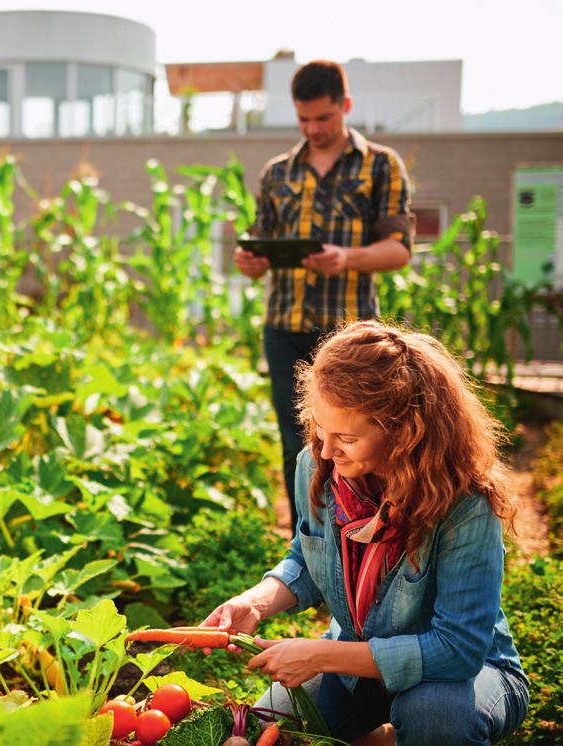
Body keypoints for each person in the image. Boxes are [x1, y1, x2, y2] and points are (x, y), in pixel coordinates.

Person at [201, 320, 529, 745]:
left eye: (347, 438)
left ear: (404, 433)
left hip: (465, 674)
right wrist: (255, 602)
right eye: (320, 427)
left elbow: (457, 651)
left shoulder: (464, 504)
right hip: (356, 664)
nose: (325, 448)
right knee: (268, 725)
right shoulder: (318, 467)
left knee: (433, 715)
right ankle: (384, 737)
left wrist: (321, 655)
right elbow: (306, 555)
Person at [235, 60, 413, 529]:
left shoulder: (381, 165)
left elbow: (399, 250)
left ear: (345, 106)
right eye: (304, 120)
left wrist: (346, 258)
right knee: (295, 442)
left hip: (351, 334)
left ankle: (363, 534)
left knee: (358, 441)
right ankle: (307, 545)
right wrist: (250, 263)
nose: (313, 128)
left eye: (323, 118)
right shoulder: (277, 173)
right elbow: (260, 244)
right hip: (285, 327)